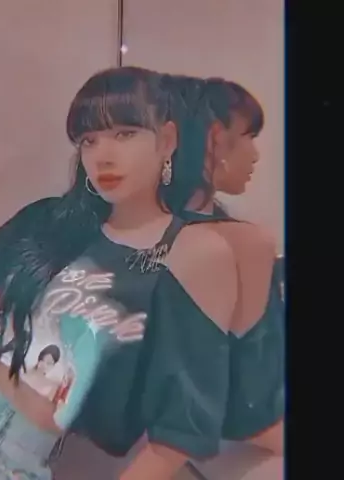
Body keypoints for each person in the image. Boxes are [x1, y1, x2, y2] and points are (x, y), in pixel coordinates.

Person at [0, 66, 283, 480]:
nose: (103, 155)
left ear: (167, 141)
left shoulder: (193, 256)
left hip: (2, 455)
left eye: (125, 134)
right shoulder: (50, 219)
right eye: (89, 140)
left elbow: (178, 435)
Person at [169, 73, 285, 456]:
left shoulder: (154, 229)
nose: (256, 154)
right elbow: (249, 406)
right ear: (215, 138)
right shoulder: (239, 243)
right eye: (249, 136)